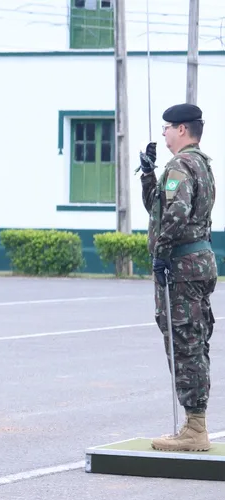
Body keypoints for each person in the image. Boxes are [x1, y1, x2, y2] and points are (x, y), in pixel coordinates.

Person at [140, 103, 217, 452]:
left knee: (185, 343)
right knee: (194, 341)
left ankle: (195, 429)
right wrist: (147, 177)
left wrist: (161, 253)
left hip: (182, 267)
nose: (164, 134)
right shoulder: (201, 164)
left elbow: (176, 214)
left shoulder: (182, 165)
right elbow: (161, 209)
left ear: (182, 129)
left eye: (167, 127)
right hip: (197, 263)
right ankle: (194, 423)